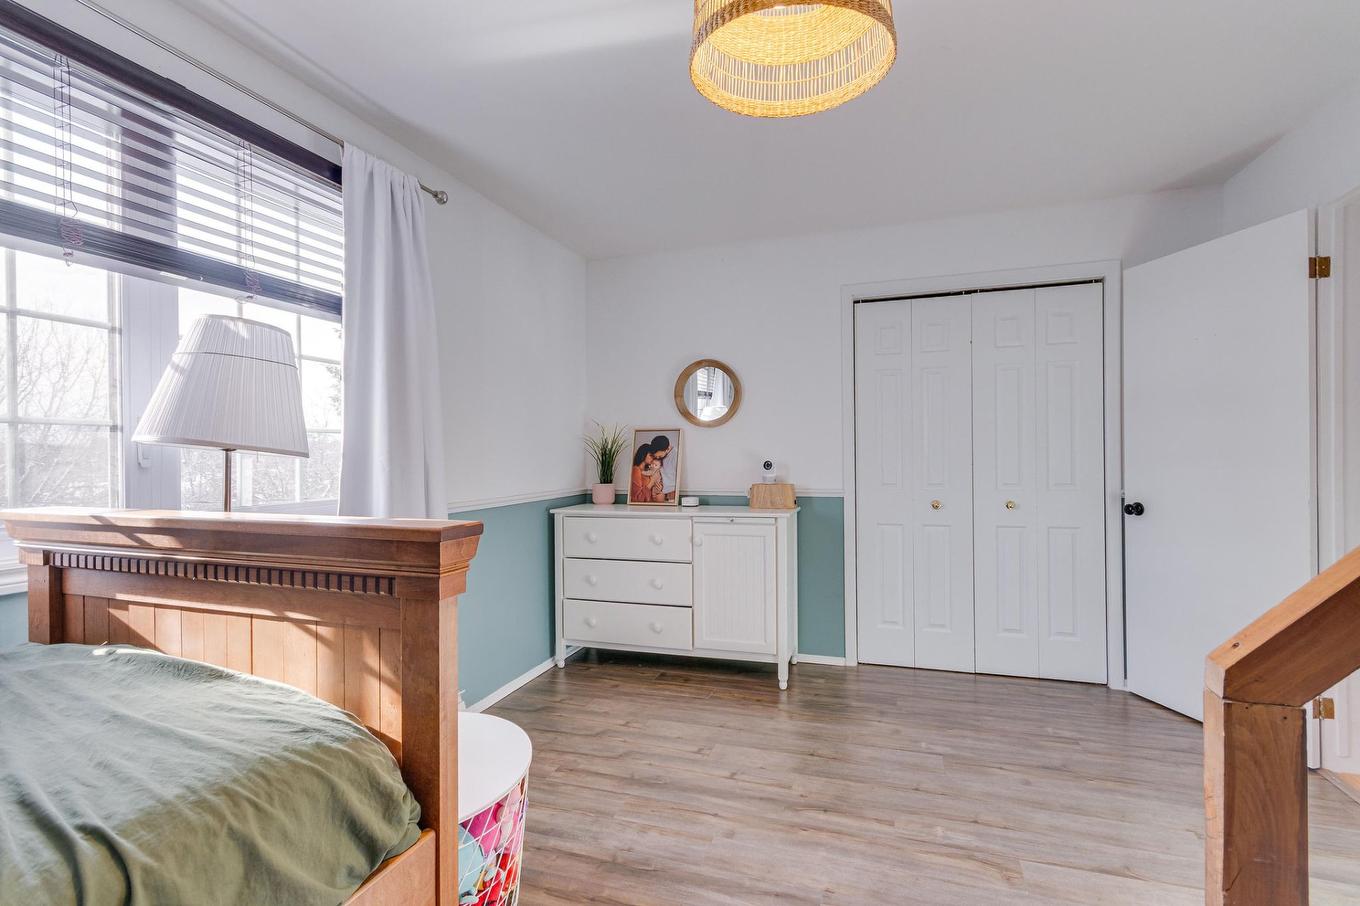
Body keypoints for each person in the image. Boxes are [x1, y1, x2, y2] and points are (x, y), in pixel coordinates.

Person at [648, 434, 675, 503]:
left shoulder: (675, 456)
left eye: (659, 456)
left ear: (668, 449)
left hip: (671, 493)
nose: (657, 458)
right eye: (656, 456)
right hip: (660, 491)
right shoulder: (659, 457)